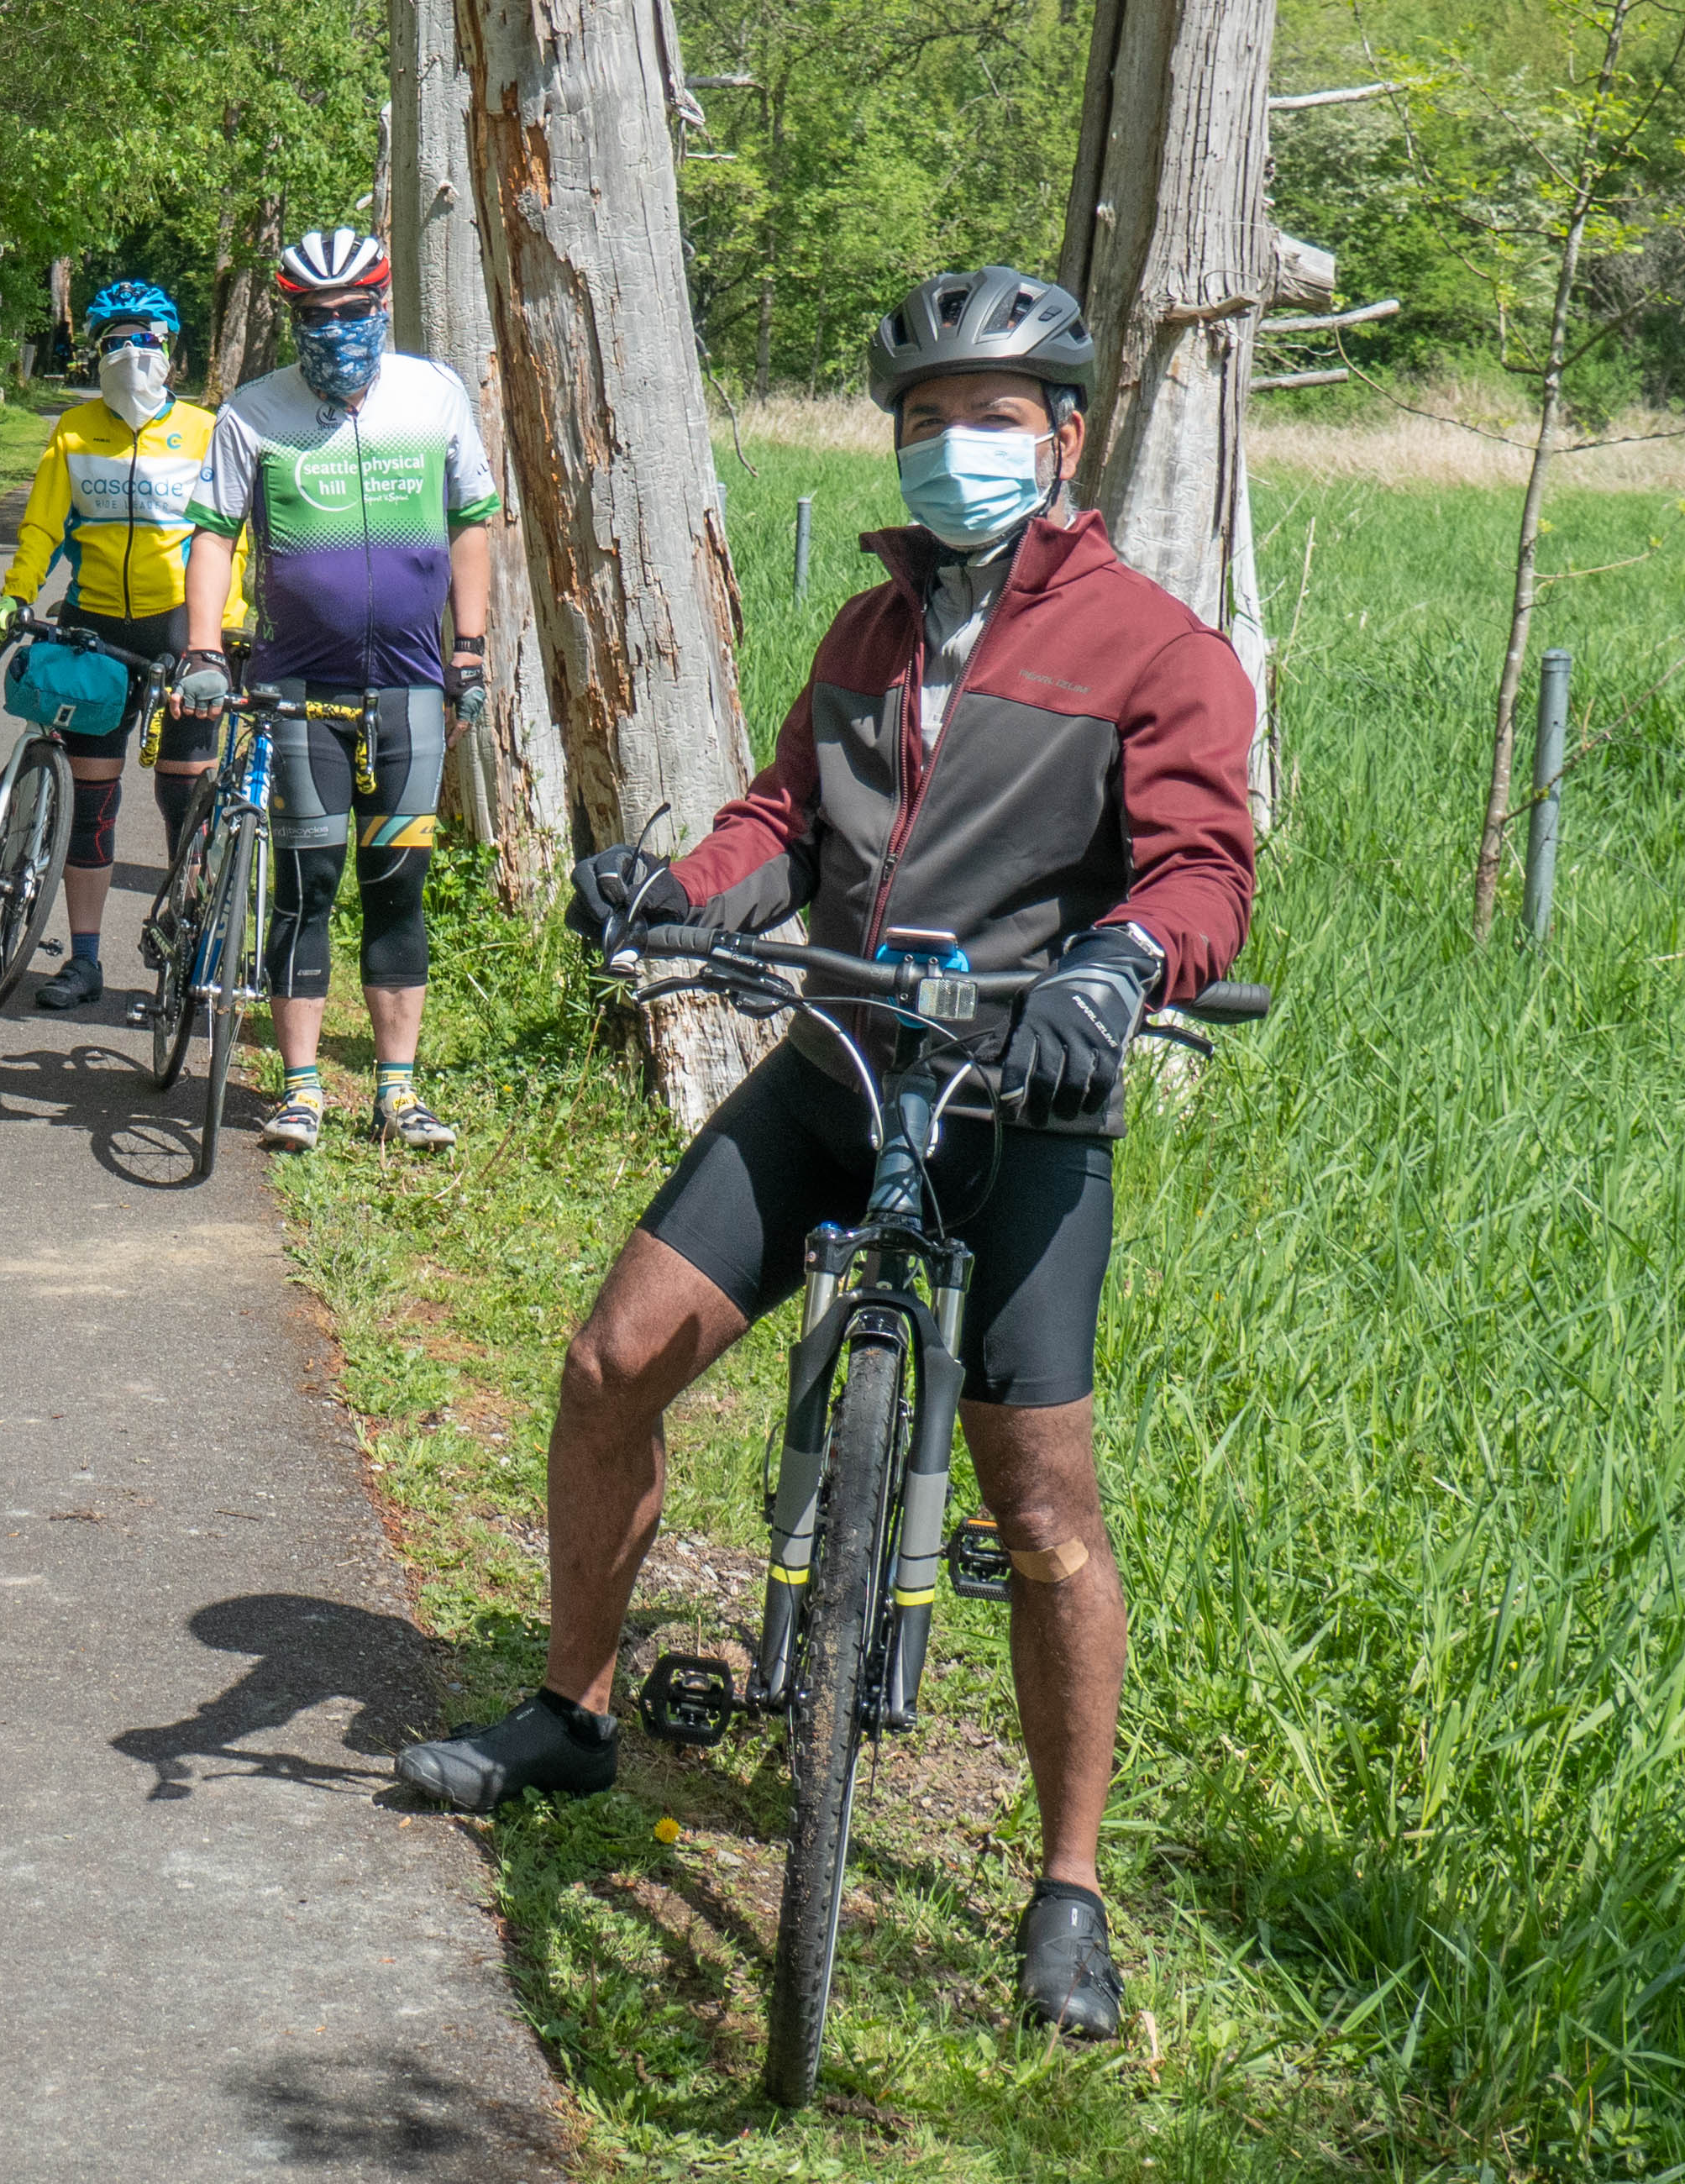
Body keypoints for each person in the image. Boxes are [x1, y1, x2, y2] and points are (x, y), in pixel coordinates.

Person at [391, 264, 1261, 2050]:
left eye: (993, 421)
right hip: (842, 1066)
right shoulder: (867, 634)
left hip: (1027, 1104)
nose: (955, 451)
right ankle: (568, 1710)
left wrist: (1116, 965)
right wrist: (676, 892)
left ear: (1068, 438)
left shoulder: (1151, 648)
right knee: (608, 1360)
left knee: (1044, 1516)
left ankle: (1068, 1889)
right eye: (926, 421)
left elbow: (1203, 871)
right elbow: (784, 820)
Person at [171, 228, 496, 1155]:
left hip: (409, 689)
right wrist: (202, 646)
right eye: (315, 316)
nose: (336, 329)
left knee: (400, 889)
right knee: (307, 888)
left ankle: (399, 1094)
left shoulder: (432, 395)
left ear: (381, 308)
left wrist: (468, 650)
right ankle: (302, 1091)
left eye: (353, 313)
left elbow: (473, 519)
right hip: (296, 686)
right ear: (292, 317)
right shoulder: (252, 412)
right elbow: (213, 535)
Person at [0, 279, 218, 1013]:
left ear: (169, 349)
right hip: (97, 625)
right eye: (113, 339)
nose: (129, 352)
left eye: (143, 336)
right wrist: (17, 592)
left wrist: (223, 632)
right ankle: (84, 961)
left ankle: (194, 955)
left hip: (182, 625)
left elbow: (228, 541)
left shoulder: (207, 431)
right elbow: (44, 525)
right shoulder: (76, 430)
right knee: (93, 803)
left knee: (188, 795)